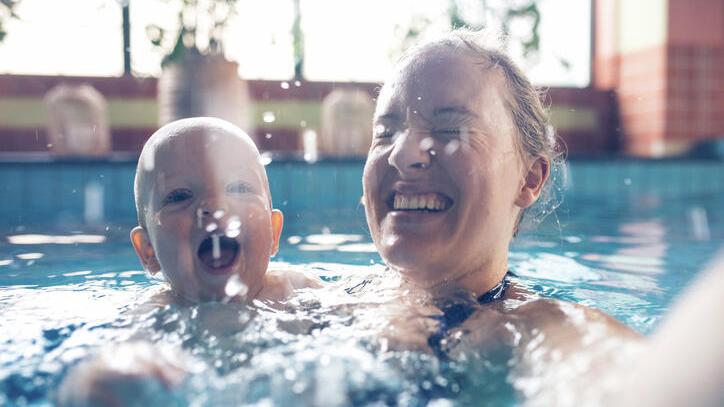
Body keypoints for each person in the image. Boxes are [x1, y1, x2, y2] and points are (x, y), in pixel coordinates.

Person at [352, 29, 643, 402]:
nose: (402, 154)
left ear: (530, 178)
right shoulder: (313, 297)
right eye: (385, 133)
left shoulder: (539, 331)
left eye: (450, 130)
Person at [56, 117, 321, 406]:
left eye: (239, 188)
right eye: (180, 196)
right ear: (148, 251)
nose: (215, 206)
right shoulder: (157, 313)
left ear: (274, 233)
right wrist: (115, 372)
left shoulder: (296, 289)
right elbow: (102, 367)